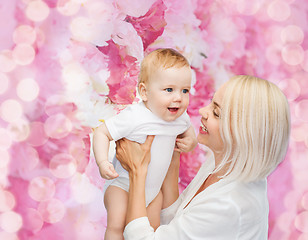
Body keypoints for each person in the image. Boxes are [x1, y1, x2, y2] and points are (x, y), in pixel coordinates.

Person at [115, 75, 291, 239]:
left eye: (216, 113)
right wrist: (172, 158)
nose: (202, 111)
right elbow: (178, 220)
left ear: (243, 135)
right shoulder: (225, 162)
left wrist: (137, 171)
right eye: (211, 103)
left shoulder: (229, 205)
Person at [92, 48, 198, 239]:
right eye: (169, 90)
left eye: (185, 90)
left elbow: (189, 133)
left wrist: (190, 142)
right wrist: (102, 162)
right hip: (123, 186)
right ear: (144, 92)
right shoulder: (135, 116)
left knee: (151, 231)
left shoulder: (180, 118)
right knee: (117, 227)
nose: (178, 97)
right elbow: (102, 132)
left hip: (153, 192)